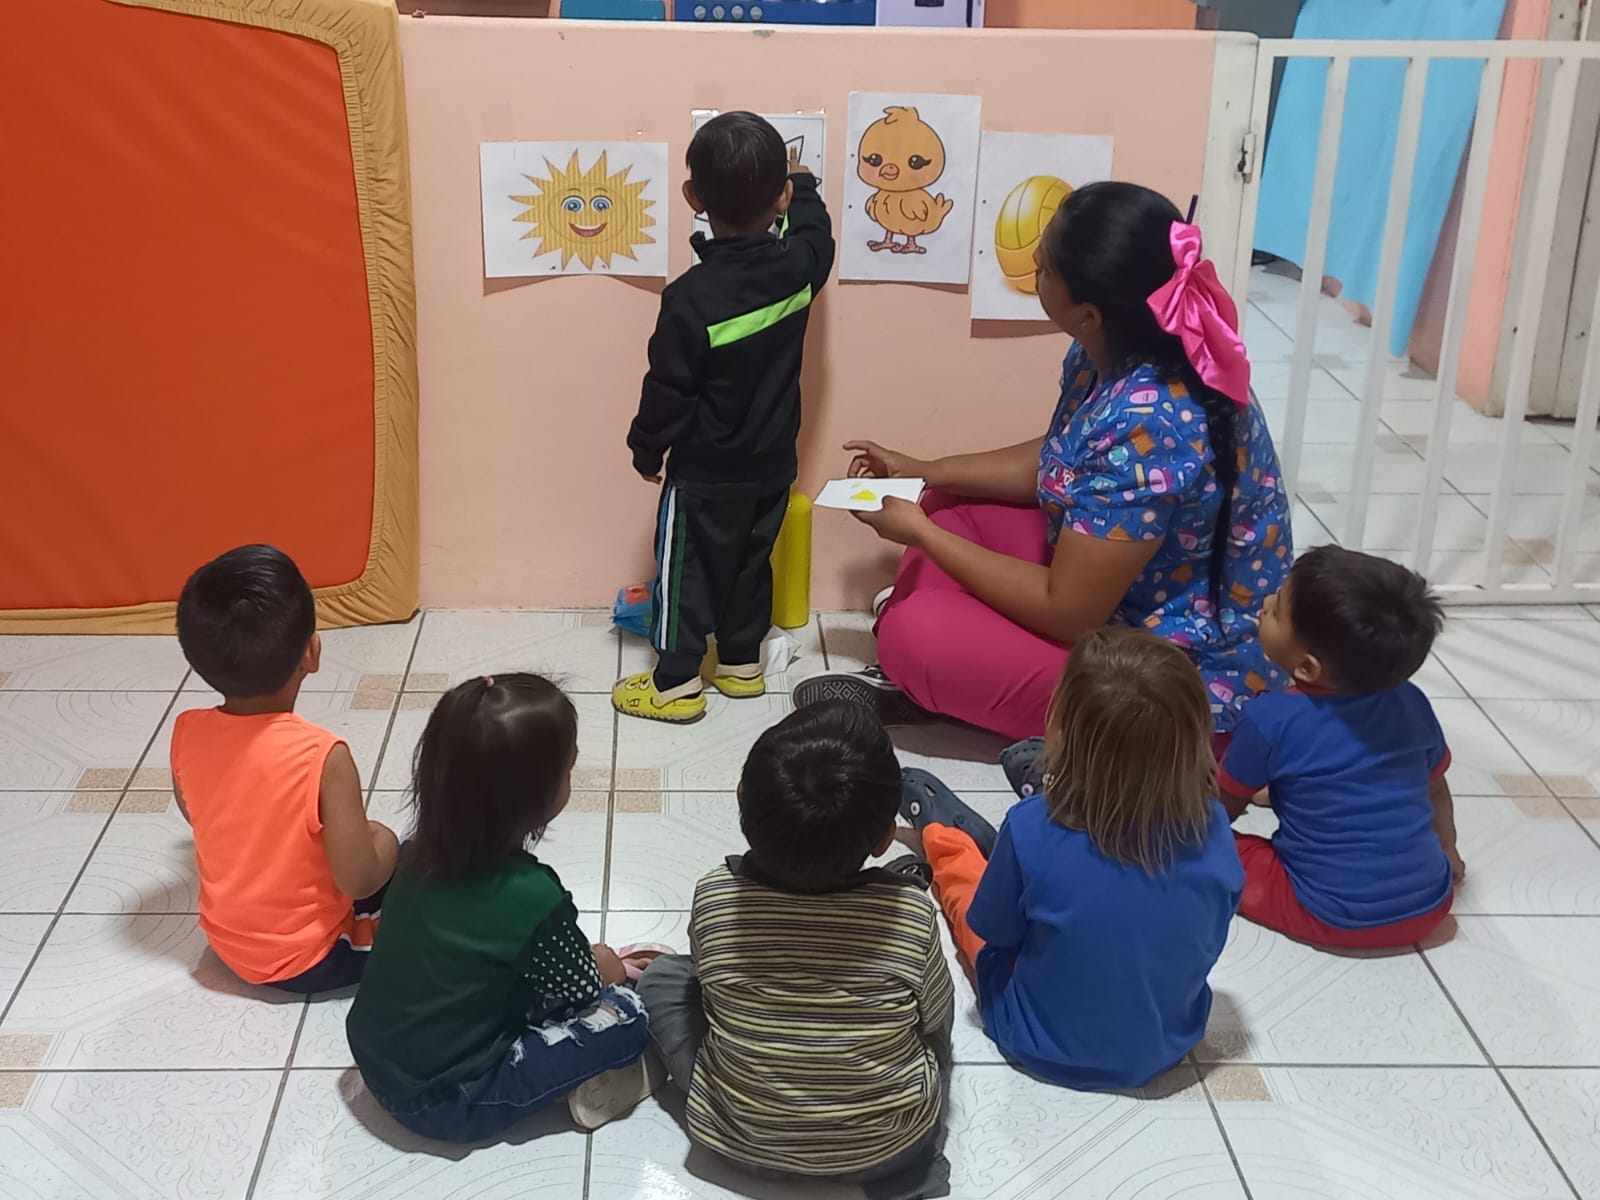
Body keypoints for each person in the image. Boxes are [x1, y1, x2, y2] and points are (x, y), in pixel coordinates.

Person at [796, 181, 1291, 746]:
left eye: (1046, 267)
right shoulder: (1115, 347)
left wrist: (922, 537)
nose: (1033, 259)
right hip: (1126, 593)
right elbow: (1065, 454)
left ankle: (942, 661)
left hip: (1166, 676)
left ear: (1088, 314)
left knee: (916, 635)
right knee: (947, 503)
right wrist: (926, 468)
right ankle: (953, 649)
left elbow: (1069, 612)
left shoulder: (1153, 421)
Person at [900, 627, 1242, 1090]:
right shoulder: (1215, 827)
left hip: (1034, 1039)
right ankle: (1045, 788)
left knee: (969, 901)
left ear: (1059, 730)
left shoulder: (1029, 827)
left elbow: (996, 933)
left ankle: (945, 836)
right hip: (1166, 1043)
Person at [637, 701, 955, 1196]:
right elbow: (935, 1017)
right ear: (884, 839)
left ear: (743, 802)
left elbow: (706, 986)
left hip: (737, 1141)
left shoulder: (716, 896)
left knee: (663, 977)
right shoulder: (912, 916)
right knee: (933, 1031)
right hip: (885, 1152)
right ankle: (910, 1172)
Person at [347, 675, 656, 1140]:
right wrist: (606, 966)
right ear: (534, 795)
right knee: (628, 1017)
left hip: (377, 1062)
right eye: (568, 769)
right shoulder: (532, 895)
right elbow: (583, 988)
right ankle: (578, 1082)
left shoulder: (414, 858)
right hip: (447, 1098)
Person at [615, 111, 835, 724]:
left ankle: (674, 685)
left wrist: (646, 447)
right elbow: (818, 236)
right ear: (780, 198)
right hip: (772, 467)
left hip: (705, 473)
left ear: (693, 197)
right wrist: (805, 185)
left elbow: (667, 388)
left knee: (684, 573)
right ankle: (741, 664)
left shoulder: (690, 298)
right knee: (749, 566)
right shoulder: (799, 269)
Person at [172, 545, 397, 993]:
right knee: (413, 865)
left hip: (227, 946)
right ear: (312, 653)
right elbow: (358, 879)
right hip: (314, 959)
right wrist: (385, 840)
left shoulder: (187, 730)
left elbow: (195, 813)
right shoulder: (322, 754)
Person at [1217, 546, 1463, 949]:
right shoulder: (1412, 702)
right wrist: (1449, 851)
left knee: (1209, 847)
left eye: (1277, 610)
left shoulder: (1270, 719)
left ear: (1307, 667)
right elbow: (1434, 789)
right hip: (1430, 906)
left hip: (1327, 914)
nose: (1265, 604)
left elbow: (1221, 807)